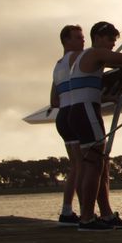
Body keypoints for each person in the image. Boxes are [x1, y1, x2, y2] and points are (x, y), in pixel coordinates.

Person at [69, 21, 122, 232]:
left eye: (115, 40)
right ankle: (87, 218)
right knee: (94, 164)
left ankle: (100, 215)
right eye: (110, 39)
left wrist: (108, 97)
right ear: (97, 37)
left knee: (93, 163)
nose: (113, 44)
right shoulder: (95, 53)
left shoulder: (81, 58)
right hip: (86, 111)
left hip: (78, 110)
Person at [49, 25, 84, 226]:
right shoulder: (76, 59)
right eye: (78, 38)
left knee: (75, 166)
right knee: (82, 166)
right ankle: (76, 211)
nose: (83, 41)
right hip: (74, 114)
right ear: (66, 41)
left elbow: (54, 100)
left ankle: (69, 210)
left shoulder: (58, 65)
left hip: (62, 115)